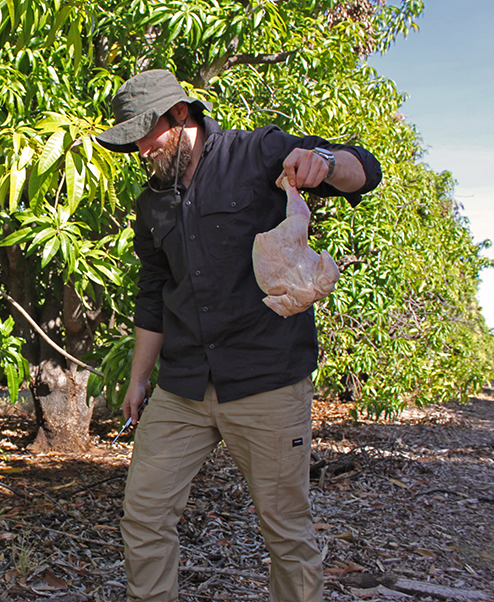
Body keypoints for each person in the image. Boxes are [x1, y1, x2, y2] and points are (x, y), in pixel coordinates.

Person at [95, 70, 382, 602]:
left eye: (145, 135)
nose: (139, 150)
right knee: (144, 516)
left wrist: (325, 163)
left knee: (287, 533)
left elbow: (363, 169)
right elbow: (153, 295)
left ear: (181, 116)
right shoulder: (151, 204)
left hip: (266, 380)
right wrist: (138, 382)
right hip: (182, 386)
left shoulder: (257, 153)